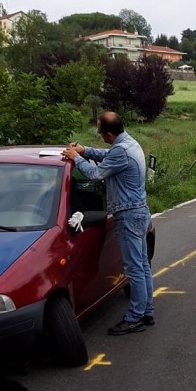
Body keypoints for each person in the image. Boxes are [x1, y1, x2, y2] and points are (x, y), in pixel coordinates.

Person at [63, 112, 154, 336]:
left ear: (109, 133)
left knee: (134, 269)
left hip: (129, 215)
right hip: (139, 212)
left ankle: (134, 318)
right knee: (142, 266)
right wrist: (85, 150)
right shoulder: (128, 143)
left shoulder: (121, 150)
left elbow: (95, 174)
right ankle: (147, 311)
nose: (100, 136)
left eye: (100, 132)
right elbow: (108, 154)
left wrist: (76, 158)